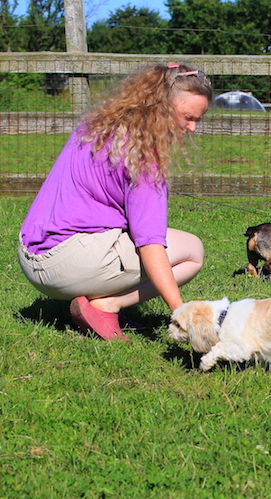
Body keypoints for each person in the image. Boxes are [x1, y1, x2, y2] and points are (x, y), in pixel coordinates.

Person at [17, 64, 213, 341]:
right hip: (66, 267)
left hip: (30, 255)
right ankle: (108, 305)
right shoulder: (144, 159)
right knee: (193, 250)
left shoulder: (95, 125)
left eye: (197, 120)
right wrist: (181, 314)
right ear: (160, 105)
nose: (192, 127)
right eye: (188, 117)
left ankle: (95, 299)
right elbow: (150, 244)